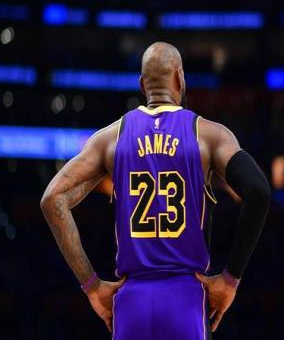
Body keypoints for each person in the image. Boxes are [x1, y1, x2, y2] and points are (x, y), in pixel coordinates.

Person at [41, 42, 271, 339]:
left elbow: (53, 198)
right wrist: (231, 278)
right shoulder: (209, 135)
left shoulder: (110, 138)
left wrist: (91, 285)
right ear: (180, 78)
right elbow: (258, 191)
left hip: (131, 302)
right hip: (187, 298)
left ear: (142, 85)